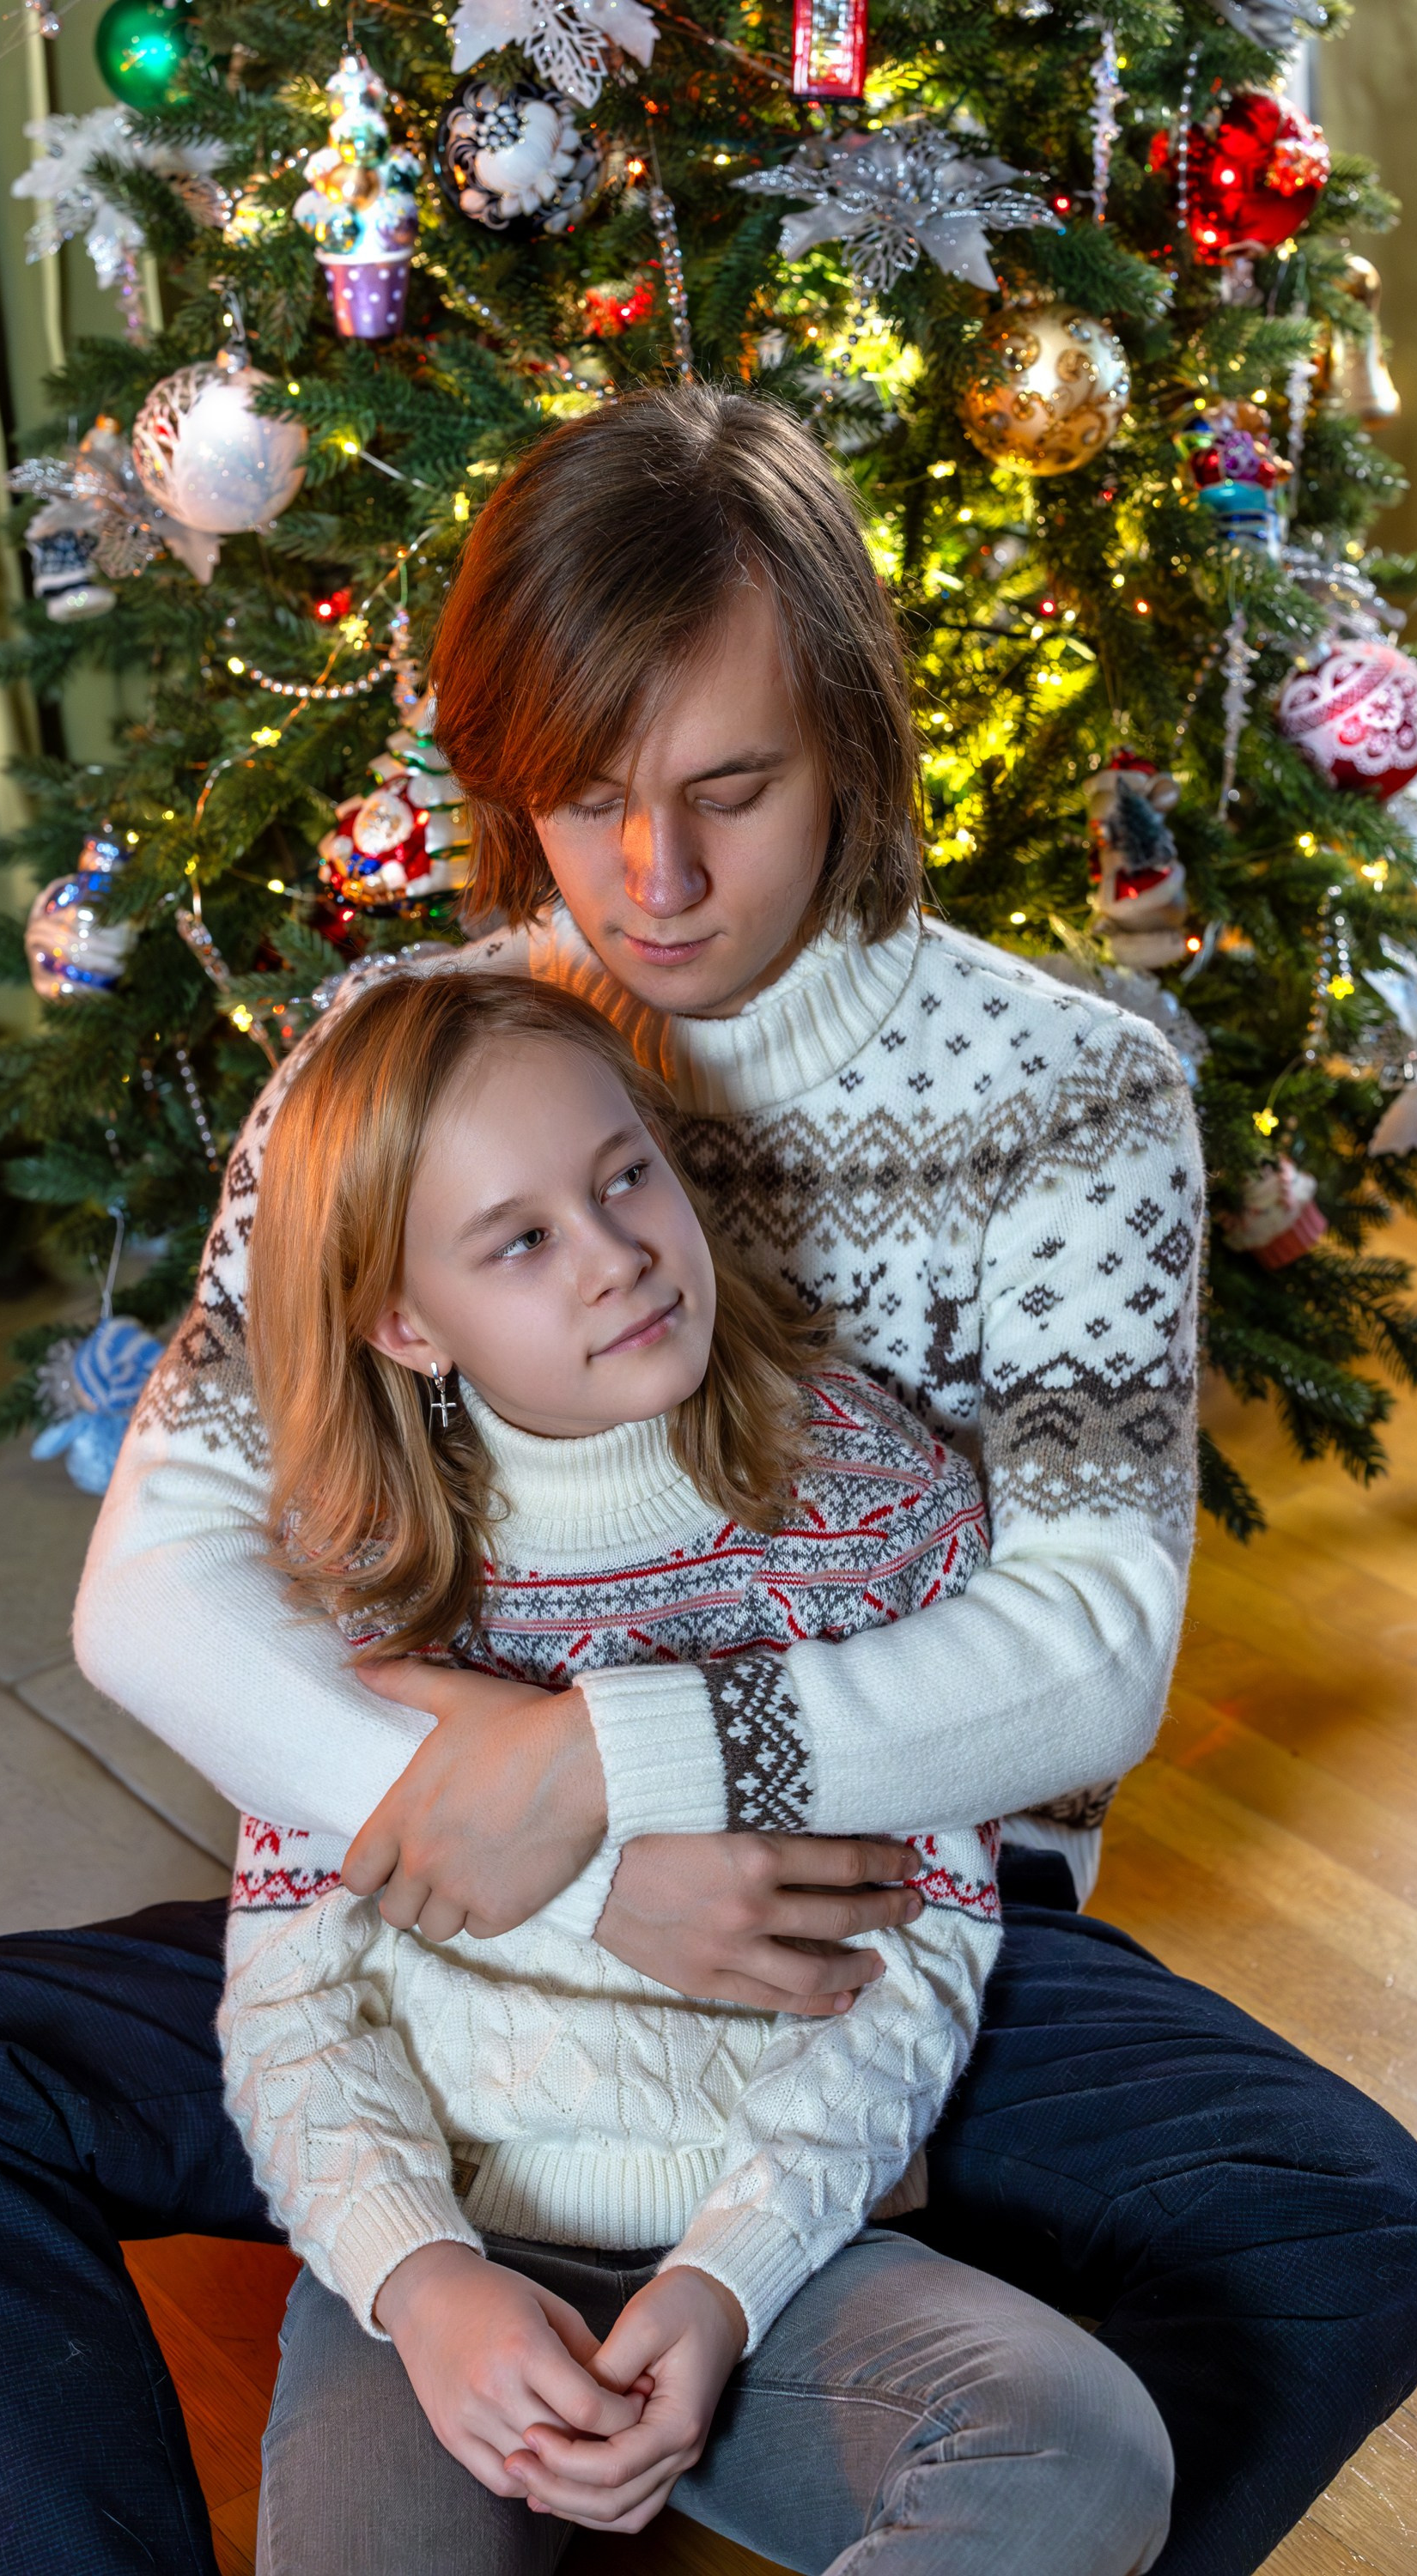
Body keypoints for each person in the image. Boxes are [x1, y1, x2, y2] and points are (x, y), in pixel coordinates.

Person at [0, 386, 1417, 2576]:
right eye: (579, 801)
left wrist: (616, 1768)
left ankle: (865, 2454)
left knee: (1344, 2232)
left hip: (876, 1939)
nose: (651, 881)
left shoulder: (1075, 1091)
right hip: (418, 1900)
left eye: (728, 789)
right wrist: (571, 1865)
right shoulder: (388, 1060)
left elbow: (1086, 1653)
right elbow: (157, 1592)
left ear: (845, 731)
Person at [222, 962, 1171, 2576]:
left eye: (625, 1179)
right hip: (449, 2253)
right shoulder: (358, 1577)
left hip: (781, 2255)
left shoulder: (877, 1511)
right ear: (404, 1320)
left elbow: (918, 1948)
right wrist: (417, 2279)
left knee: (1084, 2451)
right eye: (520, 1242)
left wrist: (727, 2277)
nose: (618, 1259)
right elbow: (293, 1991)